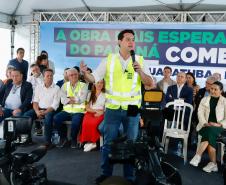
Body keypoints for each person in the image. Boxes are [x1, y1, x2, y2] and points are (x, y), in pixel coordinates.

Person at [80, 29, 153, 184]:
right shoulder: (109, 59)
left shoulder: (139, 59)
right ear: (119, 42)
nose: (131, 42)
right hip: (113, 108)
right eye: (127, 39)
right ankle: (106, 174)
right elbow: (94, 78)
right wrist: (84, 73)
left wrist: (140, 71)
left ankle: (130, 178)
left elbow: (150, 83)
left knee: (131, 145)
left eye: (133, 39)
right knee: (108, 143)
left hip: (132, 108)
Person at [190, 81, 226, 173]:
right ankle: (213, 164)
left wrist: (218, 124)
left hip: (220, 127)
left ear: (221, 91)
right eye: (211, 88)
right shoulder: (204, 99)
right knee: (210, 132)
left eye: (215, 89)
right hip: (205, 125)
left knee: (210, 131)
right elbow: (200, 113)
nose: (212, 91)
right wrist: (205, 123)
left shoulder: (224, 101)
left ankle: (198, 155)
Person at [24, 69, 60, 148]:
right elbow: (35, 101)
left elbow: (55, 104)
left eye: (51, 76)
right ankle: (27, 139)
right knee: (26, 115)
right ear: (43, 77)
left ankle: (47, 142)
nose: (50, 77)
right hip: (39, 109)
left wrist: (45, 112)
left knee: (48, 117)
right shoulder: (38, 87)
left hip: (50, 110)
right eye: (47, 76)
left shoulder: (57, 88)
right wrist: (37, 111)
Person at [53, 68, 88, 148]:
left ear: (78, 75)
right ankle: (63, 138)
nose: (74, 76)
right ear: (68, 76)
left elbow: (82, 99)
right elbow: (62, 100)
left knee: (76, 122)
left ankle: (73, 139)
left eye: (75, 74)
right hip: (67, 110)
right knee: (56, 118)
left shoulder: (83, 85)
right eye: (71, 75)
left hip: (79, 111)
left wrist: (68, 98)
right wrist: (75, 98)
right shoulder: (64, 85)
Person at [80, 79, 105, 152]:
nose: (99, 84)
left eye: (101, 83)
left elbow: (107, 108)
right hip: (91, 111)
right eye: (98, 83)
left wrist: (102, 112)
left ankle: (93, 142)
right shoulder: (90, 94)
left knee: (94, 123)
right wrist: (95, 111)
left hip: (101, 112)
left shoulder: (105, 95)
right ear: (94, 84)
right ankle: (89, 142)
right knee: (85, 123)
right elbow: (87, 107)